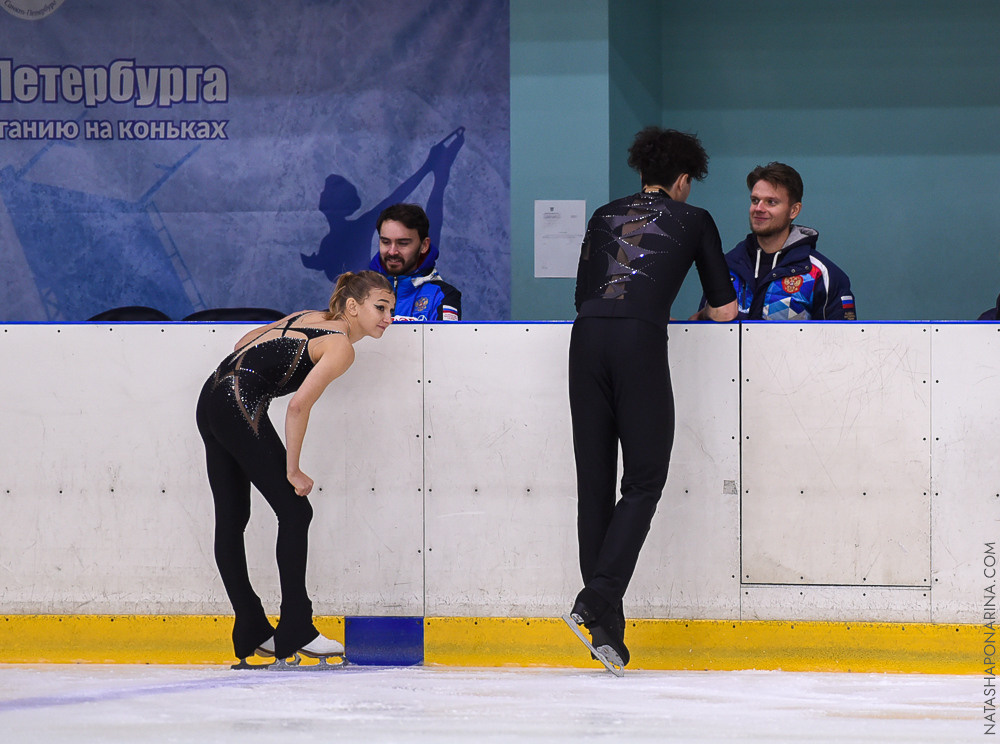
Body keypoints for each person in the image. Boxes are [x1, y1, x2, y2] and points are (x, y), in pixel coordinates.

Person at [568, 127, 737, 671]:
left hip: (585, 339)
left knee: (594, 482)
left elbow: (582, 293)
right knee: (644, 480)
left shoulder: (603, 214)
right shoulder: (694, 219)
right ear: (683, 180)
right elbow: (725, 309)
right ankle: (595, 601)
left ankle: (606, 633)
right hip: (638, 342)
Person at [196, 271, 395, 665]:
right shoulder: (340, 346)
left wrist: (258, 385)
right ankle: (297, 628)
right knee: (295, 510)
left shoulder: (307, 317)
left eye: (391, 308)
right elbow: (298, 405)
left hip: (212, 396)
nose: (388, 317)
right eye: (380, 307)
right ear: (352, 307)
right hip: (237, 404)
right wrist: (293, 469)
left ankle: (251, 627)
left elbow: (243, 344)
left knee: (233, 519)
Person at [707, 162, 856, 321]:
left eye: (771, 202)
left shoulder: (821, 274)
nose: (759, 208)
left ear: (794, 210)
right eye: (755, 200)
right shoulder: (726, 267)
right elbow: (703, 333)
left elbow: (841, 342)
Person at [368, 203, 462, 321]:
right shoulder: (360, 292)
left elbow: (444, 339)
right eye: (386, 242)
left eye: (403, 243)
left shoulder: (442, 295)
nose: (392, 252)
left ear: (424, 245)